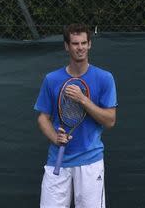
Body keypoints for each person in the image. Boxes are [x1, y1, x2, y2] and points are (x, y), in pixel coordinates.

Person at [34, 23, 117, 208]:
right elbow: (43, 117)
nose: (80, 47)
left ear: (89, 45)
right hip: (57, 160)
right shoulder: (51, 79)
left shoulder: (105, 78)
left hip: (90, 162)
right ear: (67, 46)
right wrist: (55, 138)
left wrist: (83, 100)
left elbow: (110, 120)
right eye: (75, 43)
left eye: (83, 43)